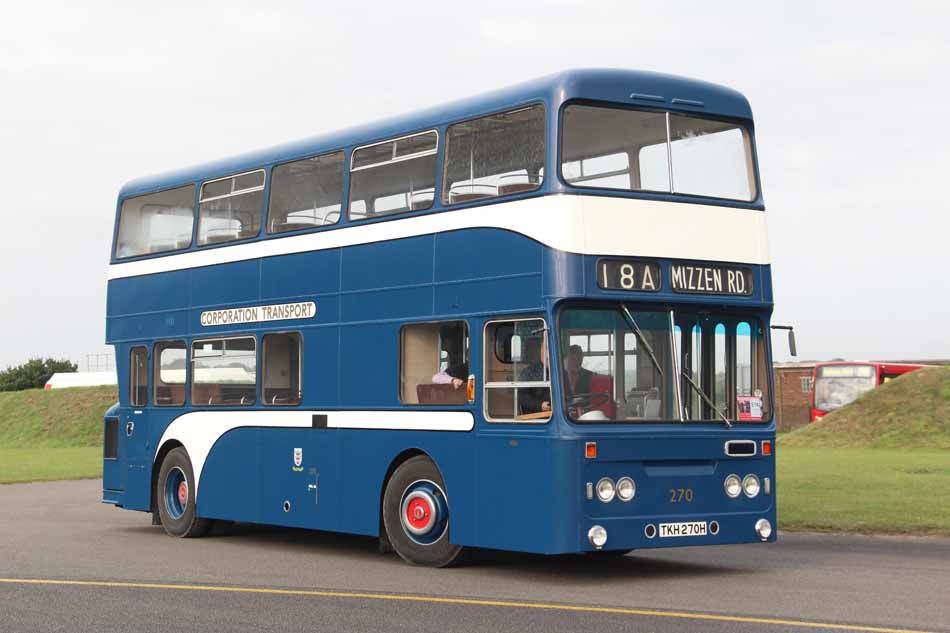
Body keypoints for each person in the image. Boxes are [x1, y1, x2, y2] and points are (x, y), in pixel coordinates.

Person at [518, 337, 551, 414]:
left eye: (550, 349)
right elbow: (522, 398)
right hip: (535, 418)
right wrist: (540, 405)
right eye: (546, 348)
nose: (548, 353)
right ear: (540, 351)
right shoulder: (528, 372)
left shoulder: (562, 372)